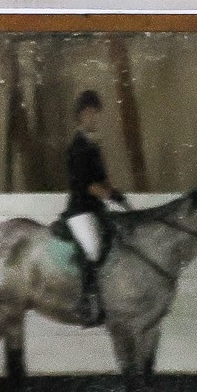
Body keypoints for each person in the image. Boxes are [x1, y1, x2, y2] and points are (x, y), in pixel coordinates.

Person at [63, 89, 125, 327]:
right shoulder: (77, 146)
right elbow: (87, 186)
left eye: (96, 113)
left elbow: (102, 179)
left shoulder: (93, 145)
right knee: (94, 249)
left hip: (97, 208)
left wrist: (116, 195)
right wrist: (110, 194)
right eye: (89, 113)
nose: (94, 117)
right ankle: (87, 303)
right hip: (80, 210)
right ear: (80, 116)